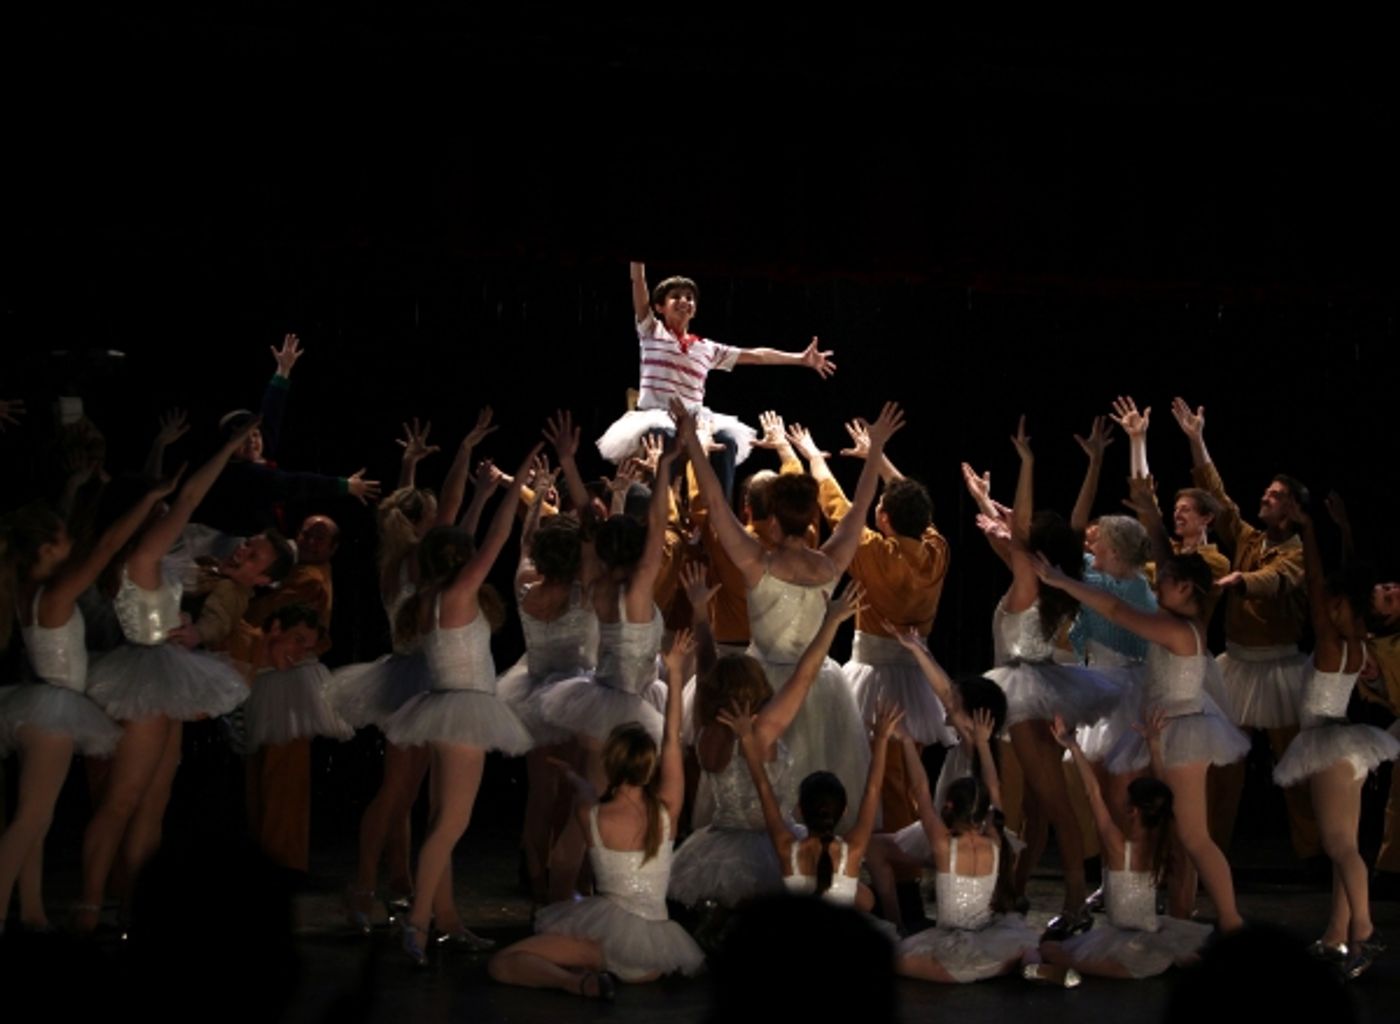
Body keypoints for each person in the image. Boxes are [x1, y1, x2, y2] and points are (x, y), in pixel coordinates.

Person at [678, 399, 905, 828]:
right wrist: (875, 448)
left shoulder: (756, 563)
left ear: (774, 522)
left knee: (758, 788)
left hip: (759, 687)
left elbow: (715, 503)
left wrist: (691, 442)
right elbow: (860, 507)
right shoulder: (830, 564)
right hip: (817, 684)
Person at [76, 418, 257, 930]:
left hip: (162, 671)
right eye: (156, 507)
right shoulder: (141, 555)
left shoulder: (143, 557)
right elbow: (190, 498)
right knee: (122, 801)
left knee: (153, 803)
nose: (166, 513)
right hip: (147, 676)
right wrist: (227, 445)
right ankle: (89, 907)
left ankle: (133, 906)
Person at [328, 412, 496, 929]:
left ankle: (400, 884)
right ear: (423, 524)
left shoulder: (398, 555)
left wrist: (408, 468)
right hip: (420, 680)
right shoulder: (419, 558)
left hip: (412, 675)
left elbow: (410, 512)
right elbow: (449, 507)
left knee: (405, 795)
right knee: (398, 794)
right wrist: (464, 449)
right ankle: (362, 889)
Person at [0, 475, 180, 929]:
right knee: (31, 819)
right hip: (53, 712)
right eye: (63, 539)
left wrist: (80, 490)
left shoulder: (27, 589)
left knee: (36, 819)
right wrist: (147, 499)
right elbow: (105, 547)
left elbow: (88, 544)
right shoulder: (56, 595)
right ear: (45, 550)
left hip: (36, 706)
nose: (71, 544)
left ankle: (34, 912)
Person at [1035, 549, 1249, 931]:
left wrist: (1062, 581)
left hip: (1183, 731)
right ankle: (1180, 915)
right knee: (1179, 835)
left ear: (1185, 587)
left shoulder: (1178, 630)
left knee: (1194, 837)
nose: (1157, 583)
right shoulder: (1181, 623)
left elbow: (1116, 610)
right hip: (1167, 729)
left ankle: (1231, 921)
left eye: (1165, 579)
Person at [386, 441, 540, 963]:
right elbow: (497, 536)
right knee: (452, 823)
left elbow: (480, 536)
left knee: (440, 819)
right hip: (463, 712)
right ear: (460, 559)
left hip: (445, 709)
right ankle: (417, 923)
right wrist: (519, 476)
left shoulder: (429, 596)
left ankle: (446, 918)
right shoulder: (455, 594)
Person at [487, 632, 704, 998]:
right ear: (650, 766)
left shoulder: (591, 814)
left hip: (606, 947)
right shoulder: (668, 809)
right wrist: (677, 671)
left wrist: (572, 776)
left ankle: (575, 982)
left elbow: (586, 792)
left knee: (504, 962)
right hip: (656, 956)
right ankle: (586, 979)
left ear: (610, 764)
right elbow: (671, 737)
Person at [977, 416, 1120, 934]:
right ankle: (1017, 888)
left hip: (1024, 692)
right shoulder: (1059, 580)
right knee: (1039, 810)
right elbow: (1073, 529)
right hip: (1046, 687)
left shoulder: (1029, 582)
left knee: (1054, 807)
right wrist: (1095, 463)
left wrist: (1027, 464)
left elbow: (1019, 531)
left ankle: (1077, 901)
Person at [1170, 396, 1318, 861]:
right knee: (1223, 760)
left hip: (1280, 668)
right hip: (1238, 664)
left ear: (1292, 508)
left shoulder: (1299, 552)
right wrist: (1197, 440)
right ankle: (1211, 847)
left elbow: (1278, 578)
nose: (1265, 498)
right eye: (1267, 493)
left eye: (1275, 496)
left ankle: (1314, 851)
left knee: (1296, 766)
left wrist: (1242, 580)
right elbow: (1218, 498)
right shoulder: (1249, 537)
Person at [670, 582, 863, 909]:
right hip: (767, 847)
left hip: (717, 843)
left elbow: (705, 666)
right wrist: (831, 621)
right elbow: (804, 676)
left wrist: (700, 611)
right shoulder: (760, 732)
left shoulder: (706, 729)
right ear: (756, 686)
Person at [1272, 498, 1396, 979]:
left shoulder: (1329, 642)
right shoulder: (1359, 644)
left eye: (1337, 601)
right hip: (1349, 747)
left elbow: (1318, 582)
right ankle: (1336, 933)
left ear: (1344, 607)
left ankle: (1363, 932)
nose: (1329, 603)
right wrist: (1343, 532)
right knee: (1348, 846)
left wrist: (1308, 530)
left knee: (1339, 846)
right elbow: (1344, 583)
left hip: (1328, 745)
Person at [595, 261, 835, 499]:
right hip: (657, 415)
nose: (684, 301)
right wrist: (637, 260)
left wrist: (799, 359)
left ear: (694, 310)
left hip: (695, 420)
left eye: (689, 298)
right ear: (659, 307)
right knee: (665, 437)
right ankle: (665, 506)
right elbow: (638, 281)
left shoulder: (707, 348)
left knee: (727, 441)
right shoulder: (651, 331)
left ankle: (719, 510)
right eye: (675, 296)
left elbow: (756, 355)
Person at [1029, 714, 1211, 980]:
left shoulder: (1117, 845)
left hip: (1123, 947)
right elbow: (1163, 794)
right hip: (1153, 942)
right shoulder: (1161, 842)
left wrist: (1073, 747)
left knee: (1048, 949)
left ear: (1133, 811)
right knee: (1164, 954)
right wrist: (1154, 746)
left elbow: (1093, 793)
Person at [893, 734, 1037, 983]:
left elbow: (921, 790)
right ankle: (1029, 962)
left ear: (949, 806)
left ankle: (988, 967)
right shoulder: (995, 841)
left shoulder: (943, 845)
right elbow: (994, 788)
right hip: (989, 940)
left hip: (952, 951)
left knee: (891, 958)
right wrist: (983, 744)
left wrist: (906, 741)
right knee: (1020, 944)